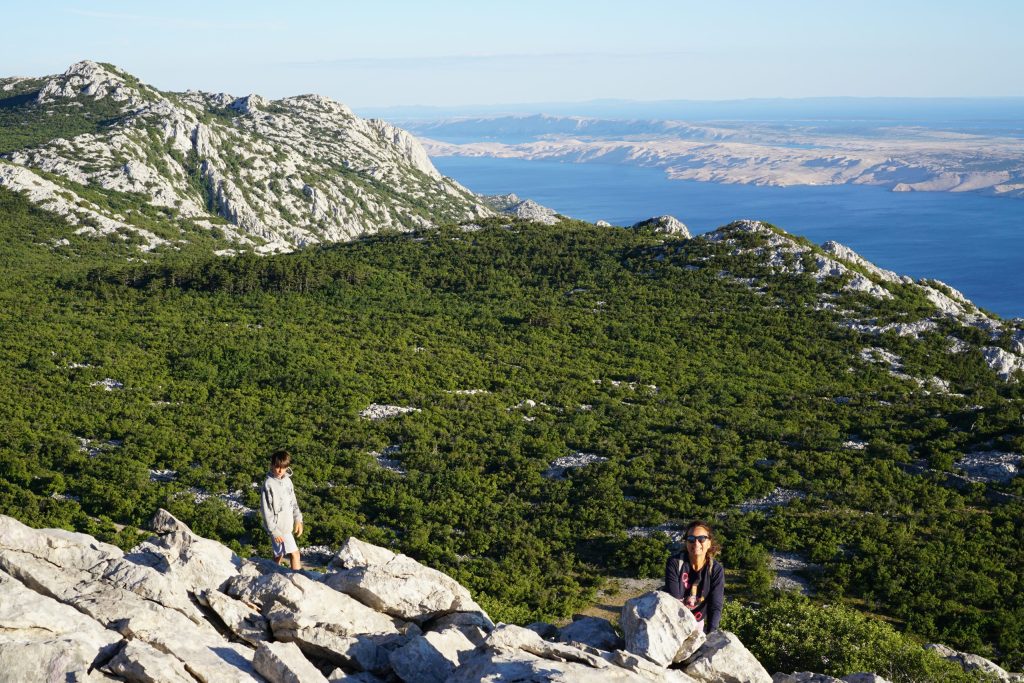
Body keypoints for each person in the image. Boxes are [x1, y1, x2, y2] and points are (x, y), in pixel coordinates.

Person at [664, 520, 724, 633]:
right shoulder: (675, 563)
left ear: (709, 543)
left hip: (697, 623)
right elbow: (674, 601)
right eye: (691, 539)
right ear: (686, 542)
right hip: (675, 621)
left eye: (701, 539)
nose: (696, 543)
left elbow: (715, 606)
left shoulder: (715, 570)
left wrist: (711, 634)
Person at [260, 449, 304, 570]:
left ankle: (270, 573)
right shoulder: (268, 484)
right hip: (278, 528)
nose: (280, 470)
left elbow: (293, 502)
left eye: (283, 467)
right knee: (295, 554)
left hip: (287, 526)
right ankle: (297, 577)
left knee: (279, 555)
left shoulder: (288, 481)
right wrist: (274, 531)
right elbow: (266, 510)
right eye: (277, 467)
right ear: (272, 465)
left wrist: (298, 519)